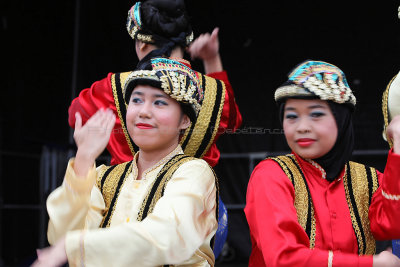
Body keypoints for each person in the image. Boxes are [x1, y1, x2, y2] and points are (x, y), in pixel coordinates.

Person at [68, 0, 242, 257]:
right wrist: (212, 60)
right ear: (185, 42)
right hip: (195, 218)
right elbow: (232, 122)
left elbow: (77, 116)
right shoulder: (214, 92)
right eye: (139, 101)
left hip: (123, 209)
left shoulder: (115, 87)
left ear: (141, 43)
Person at [33, 58, 220, 267]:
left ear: (184, 120)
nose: (143, 111)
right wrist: (84, 159)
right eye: (137, 100)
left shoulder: (194, 172)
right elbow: (61, 238)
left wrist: (74, 245)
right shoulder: (104, 177)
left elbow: (168, 236)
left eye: (160, 102)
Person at [244, 60, 400, 266]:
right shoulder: (271, 175)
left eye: (316, 114)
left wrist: (398, 146)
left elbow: (392, 226)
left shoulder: (369, 179)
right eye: (291, 116)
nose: (302, 127)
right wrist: (371, 264)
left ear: (341, 119)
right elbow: (283, 258)